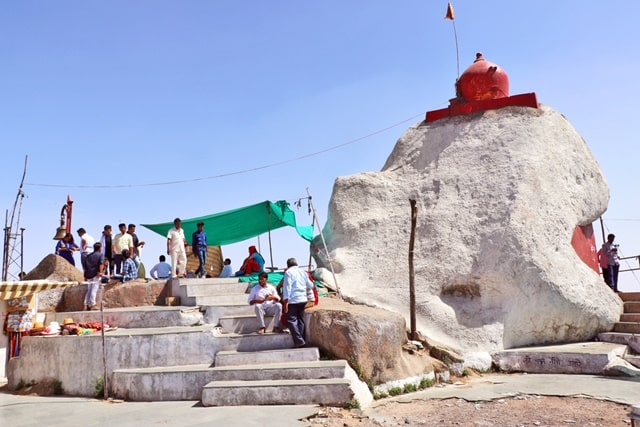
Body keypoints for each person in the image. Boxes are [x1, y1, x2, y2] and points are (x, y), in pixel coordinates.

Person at [281, 257, 315, 348]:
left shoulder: (288, 272)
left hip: (293, 300)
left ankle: (299, 340)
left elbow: (287, 287)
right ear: (296, 264)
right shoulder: (303, 272)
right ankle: (302, 341)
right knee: (300, 320)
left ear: (288, 265)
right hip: (302, 299)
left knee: (291, 320)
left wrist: (285, 301)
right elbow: (310, 285)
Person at [83, 242, 106, 311]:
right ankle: (93, 304)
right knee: (94, 290)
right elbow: (101, 264)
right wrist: (100, 272)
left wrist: (85, 275)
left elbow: (85, 267)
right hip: (96, 274)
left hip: (89, 274)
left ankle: (85, 304)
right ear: (100, 248)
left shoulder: (88, 256)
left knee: (89, 290)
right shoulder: (100, 255)